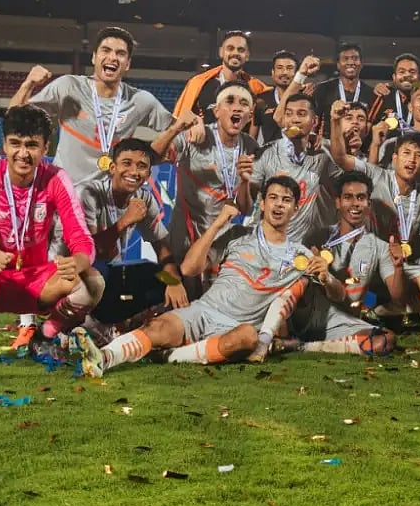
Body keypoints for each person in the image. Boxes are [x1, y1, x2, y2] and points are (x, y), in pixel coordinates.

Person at [9, 26, 198, 350]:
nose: (112, 57)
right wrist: (28, 84)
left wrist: (192, 127)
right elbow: (16, 118)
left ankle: (94, 323)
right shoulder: (69, 88)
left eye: (120, 54)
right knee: (60, 264)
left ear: (127, 64)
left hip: (108, 204)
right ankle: (33, 326)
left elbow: (176, 138)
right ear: (94, 57)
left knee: (107, 272)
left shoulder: (140, 102)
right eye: (106, 51)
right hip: (66, 200)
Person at [72, 176, 314, 376]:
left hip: (237, 326)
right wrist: (218, 224)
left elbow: (321, 295)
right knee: (159, 327)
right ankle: (103, 358)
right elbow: (189, 268)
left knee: (247, 338)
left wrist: (326, 277)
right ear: (262, 203)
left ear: (295, 208)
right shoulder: (238, 234)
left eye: (286, 200)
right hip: (204, 310)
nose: (278, 205)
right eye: (273, 198)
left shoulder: (300, 256)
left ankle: (170, 356)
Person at [0, 106, 103, 365]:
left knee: (94, 283)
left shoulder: (57, 178)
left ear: (46, 147)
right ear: (4, 144)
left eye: (32, 145)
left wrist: (78, 262)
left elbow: (81, 238)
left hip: (39, 281)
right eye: (15, 143)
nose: (23, 154)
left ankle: (45, 336)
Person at [329, 108, 420, 312]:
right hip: (365, 257)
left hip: (398, 263)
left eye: (419, 156)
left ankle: (385, 309)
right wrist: (335, 121)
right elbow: (340, 157)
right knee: (352, 302)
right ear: (394, 157)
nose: (411, 160)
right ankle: (374, 308)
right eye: (407, 153)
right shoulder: (375, 176)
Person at [154, 81, 258, 297]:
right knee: (168, 292)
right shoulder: (195, 137)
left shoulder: (251, 147)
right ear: (216, 111)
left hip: (220, 242)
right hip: (183, 237)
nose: (237, 107)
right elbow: (153, 157)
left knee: (213, 308)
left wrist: (245, 182)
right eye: (229, 101)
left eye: (244, 103)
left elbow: (245, 209)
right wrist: (176, 127)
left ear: (250, 114)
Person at [283, 172, 404, 355]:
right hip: (307, 314)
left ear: (369, 205)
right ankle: (284, 333)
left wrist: (399, 267)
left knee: (385, 340)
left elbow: (398, 297)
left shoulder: (380, 247)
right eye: (348, 197)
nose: (355, 203)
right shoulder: (317, 236)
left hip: (341, 321)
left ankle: (303, 347)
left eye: (361, 198)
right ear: (338, 202)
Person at [78, 138, 186, 340]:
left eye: (142, 166)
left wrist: (174, 282)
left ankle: (121, 322)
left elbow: (161, 246)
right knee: (99, 271)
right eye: (127, 163)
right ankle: (82, 322)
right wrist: (125, 221)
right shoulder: (90, 193)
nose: (134, 172)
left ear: (148, 174)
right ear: (112, 167)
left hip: (111, 272)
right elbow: (89, 252)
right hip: (75, 274)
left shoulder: (144, 198)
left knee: (158, 275)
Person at [251, 94, 342, 245]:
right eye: (289, 114)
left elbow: (342, 181)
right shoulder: (266, 153)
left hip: (303, 249)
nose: (294, 119)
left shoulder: (323, 155)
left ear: (314, 121)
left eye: (301, 114)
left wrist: (336, 122)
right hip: (266, 244)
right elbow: (248, 200)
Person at [173, 30, 270, 119]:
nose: (235, 53)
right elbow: (180, 118)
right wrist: (196, 122)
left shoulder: (257, 88)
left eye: (241, 50)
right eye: (230, 48)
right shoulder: (199, 83)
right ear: (221, 52)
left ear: (247, 56)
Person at [254, 50, 305, 146]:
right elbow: (253, 137)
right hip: (269, 157)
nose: (284, 72)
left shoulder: (305, 98)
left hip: (297, 154)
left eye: (289, 68)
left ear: (296, 73)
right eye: (280, 68)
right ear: (273, 73)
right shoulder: (262, 99)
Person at [313, 42, 372, 122]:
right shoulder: (323, 90)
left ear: (361, 64)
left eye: (355, 58)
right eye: (345, 58)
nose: (351, 63)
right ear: (338, 64)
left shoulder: (371, 93)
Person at [367, 54, 420, 126]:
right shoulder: (383, 96)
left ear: (419, 77)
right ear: (394, 77)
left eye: (412, 72)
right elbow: (367, 127)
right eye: (402, 72)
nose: (407, 75)